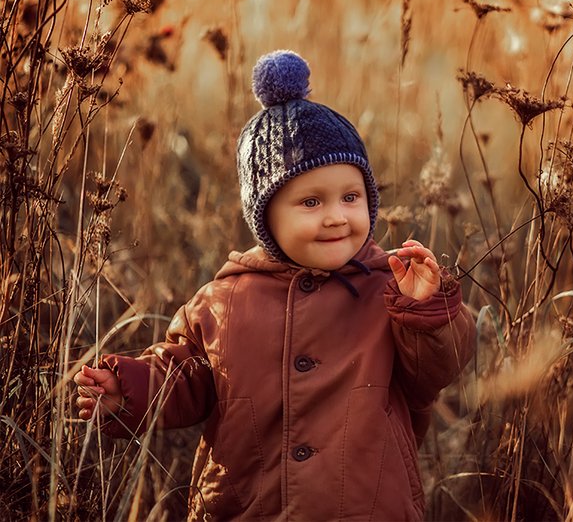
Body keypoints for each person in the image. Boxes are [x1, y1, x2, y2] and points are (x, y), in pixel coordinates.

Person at [73, 50, 476, 521]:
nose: (336, 216)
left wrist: (427, 312)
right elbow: (188, 380)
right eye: (310, 201)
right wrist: (132, 391)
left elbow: (437, 372)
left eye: (351, 197)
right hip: (247, 506)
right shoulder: (224, 301)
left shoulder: (390, 289)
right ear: (265, 218)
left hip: (368, 506)